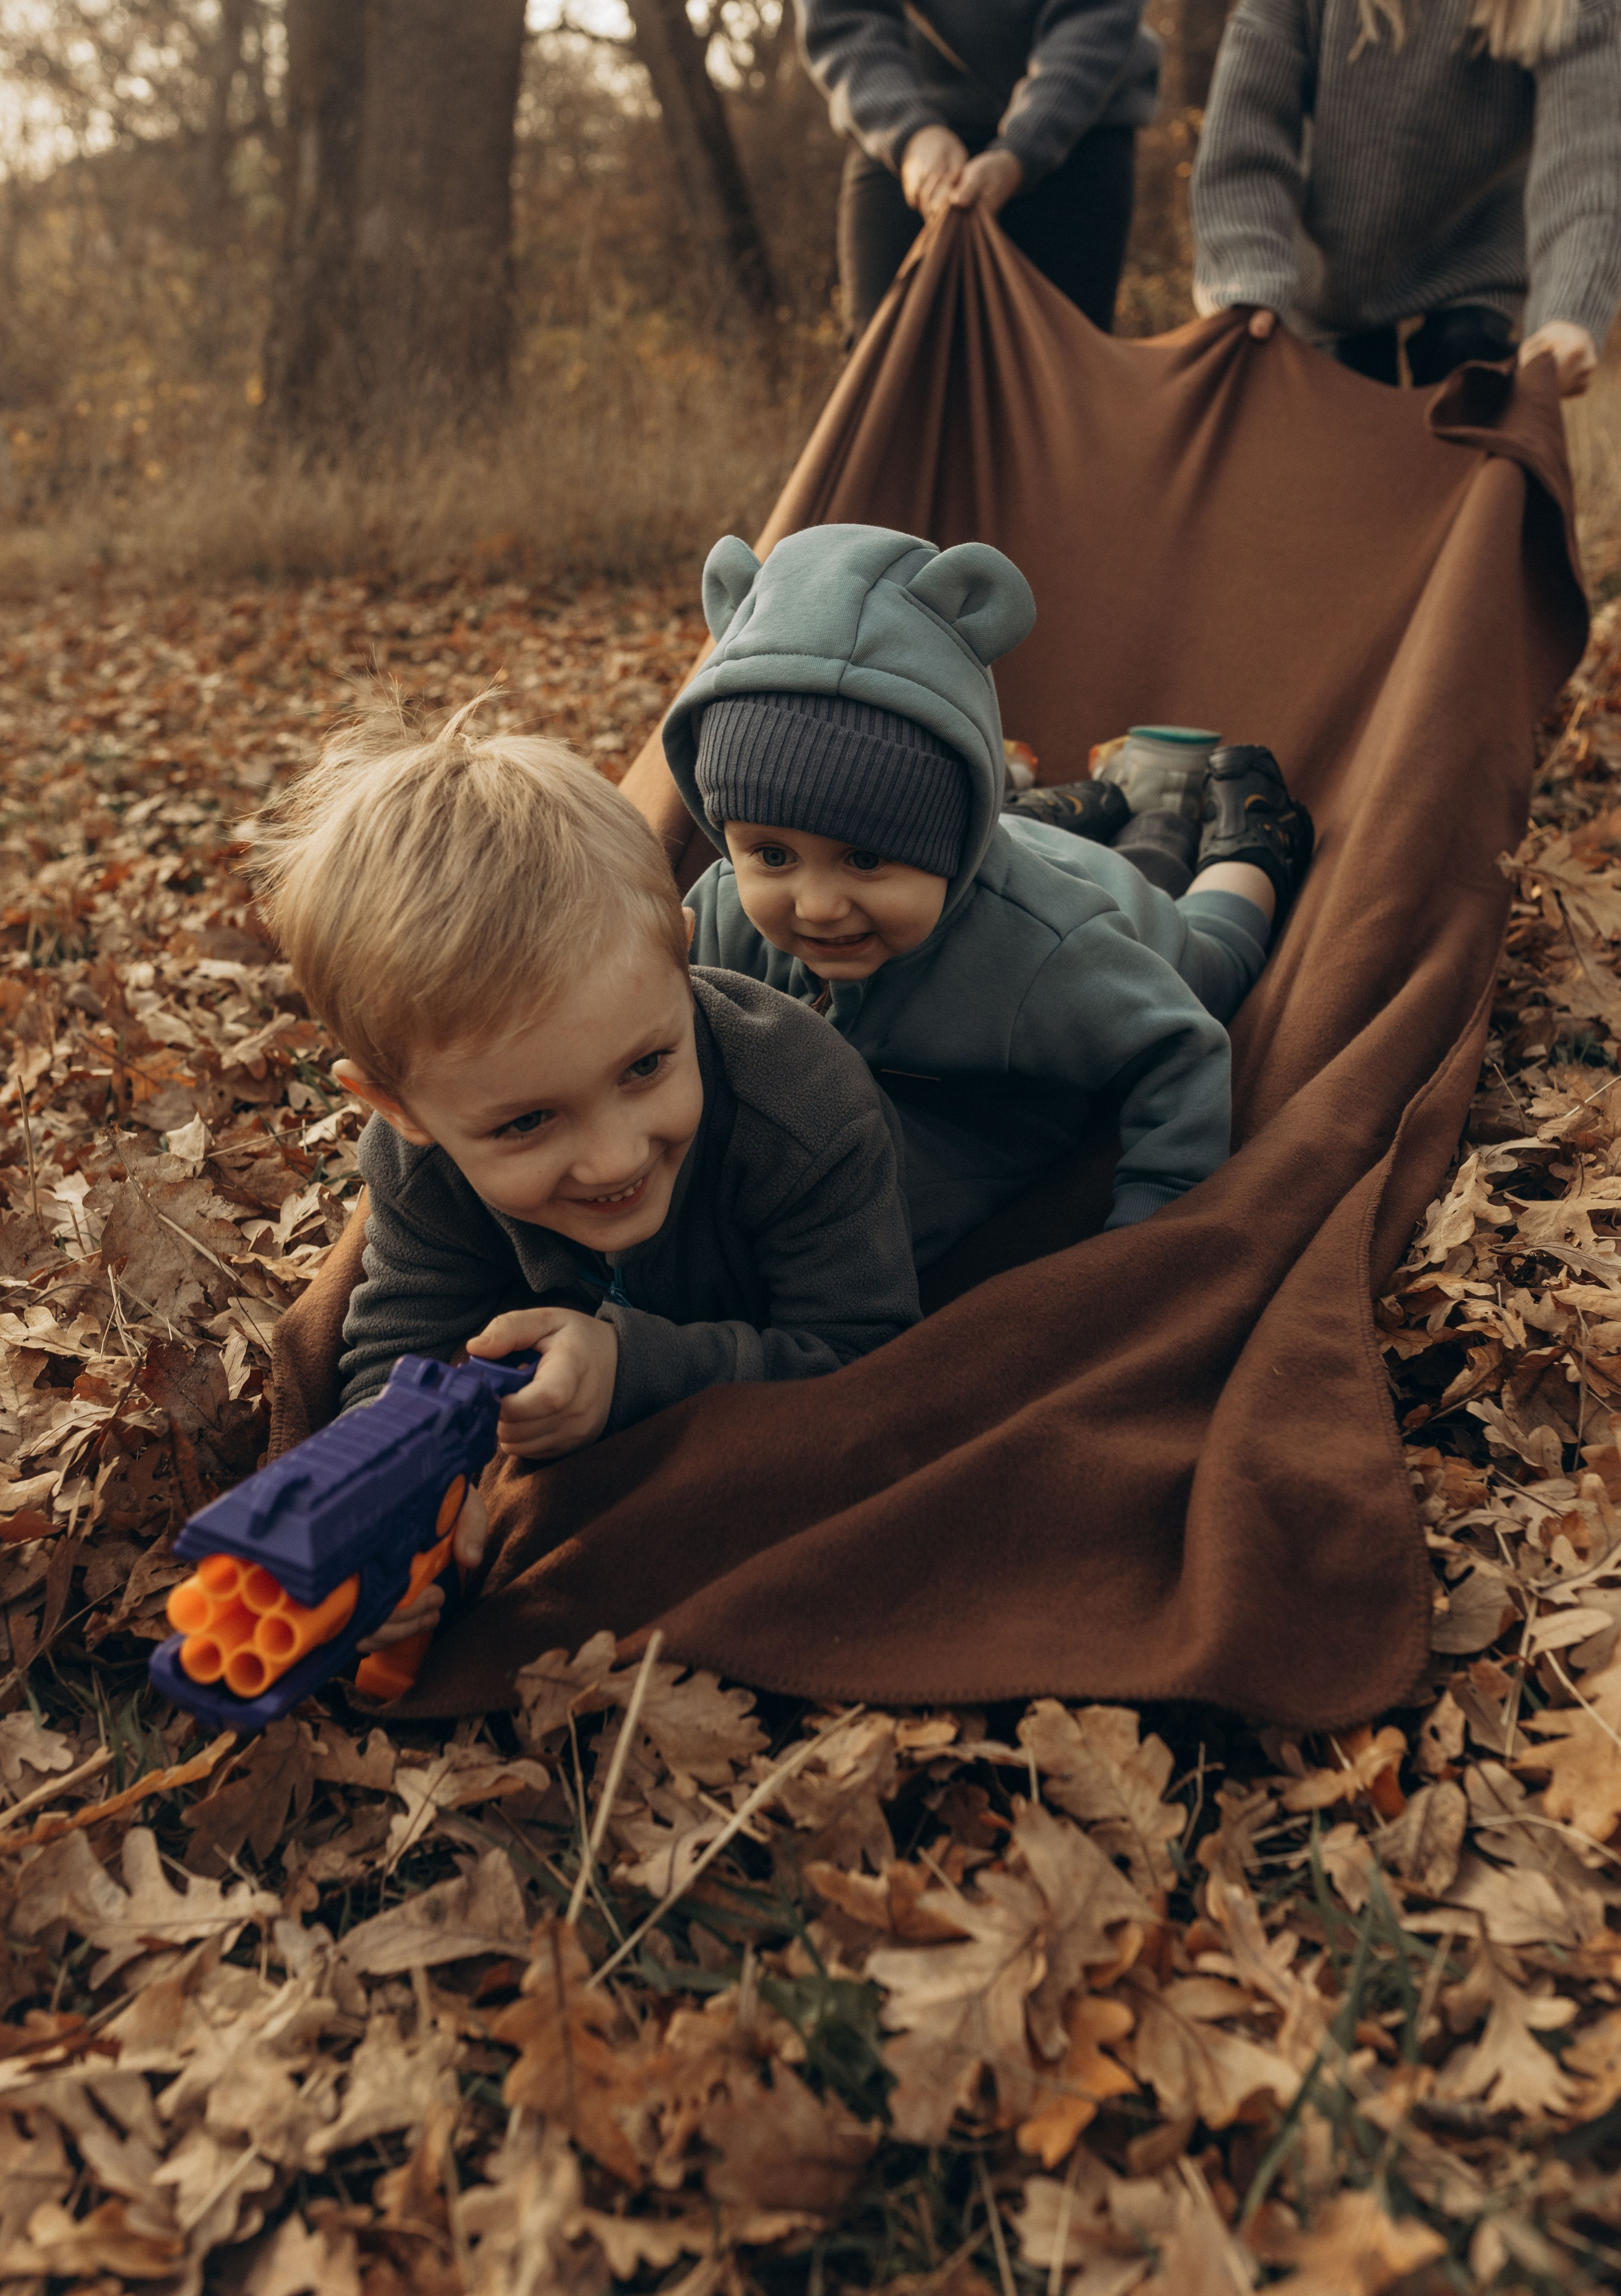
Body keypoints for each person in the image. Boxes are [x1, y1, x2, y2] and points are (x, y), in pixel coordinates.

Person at [255, 708, 921, 1643]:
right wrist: (397, 1504)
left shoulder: (805, 1110)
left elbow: (866, 1359)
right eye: (527, 1122)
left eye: (646, 1067)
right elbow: (402, 1346)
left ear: (683, 960)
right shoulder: (418, 1160)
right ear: (400, 1107)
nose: (614, 1158)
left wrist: (632, 1369)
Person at [662, 523, 1314, 1271]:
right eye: (771, 855)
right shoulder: (714, 913)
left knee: (1216, 956)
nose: (815, 905)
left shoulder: (1050, 955)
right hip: (999, 842)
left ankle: (1244, 843)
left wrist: (1153, 1213)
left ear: (951, 840)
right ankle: (1102, 800)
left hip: (1104, 905)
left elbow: (1181, 1045)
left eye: (865, 858)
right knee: (1057, 835)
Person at [1190, 0, 1621, 395]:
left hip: (1478, 273)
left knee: (1475, 445)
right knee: (1333, 461)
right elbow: (1253, 108)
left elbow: (1588, 140)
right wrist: (1245, 267)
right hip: (1332, 272)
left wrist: (1570, 309)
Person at [790, 0, 1167, 339]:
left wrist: (1021, 148)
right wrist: (911, 133)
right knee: (883, 382)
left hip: (1077, 129)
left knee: (1058, 394)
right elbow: (842, 6)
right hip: (913, 129)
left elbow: (1099, 6)